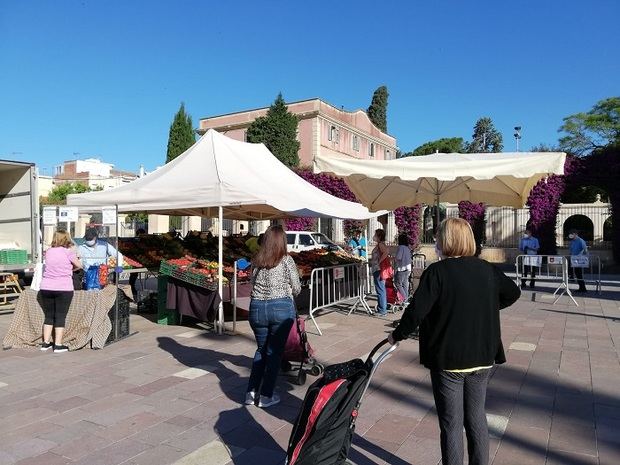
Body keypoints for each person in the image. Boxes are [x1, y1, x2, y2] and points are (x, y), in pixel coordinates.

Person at [388, 218, 521, 465]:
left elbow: (416, 312)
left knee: (451, 423)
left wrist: (396, 335)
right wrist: (487, 307)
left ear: (445, 241)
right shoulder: (486, 269)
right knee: (476, 418)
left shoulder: (437, 273)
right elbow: (513, 292)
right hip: (482, 356)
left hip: (449, 358)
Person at [246, 225, 301, 408]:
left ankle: (251, 391)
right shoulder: (286, 260)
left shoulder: (257, 259)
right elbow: (297, 288)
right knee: (274, 352)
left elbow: (252, 282)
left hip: (257, 308)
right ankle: (266, 395)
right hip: (280, 308)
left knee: (261, 349)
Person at [39, 230, 83, 353]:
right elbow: (79, 265)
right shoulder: (68, 252)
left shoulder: (47, 252)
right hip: (63, 287)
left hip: (46, 287)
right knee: (60, 315)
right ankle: (58, 345)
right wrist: (71, 268)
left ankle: (45, 343)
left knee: (48, 315)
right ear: (66, 238)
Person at [370, 229, 389, 316]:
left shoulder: (381, 244)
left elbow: (386, 252)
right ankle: (382, 309)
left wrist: (379, 261)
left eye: (375, 234)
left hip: (378, 269)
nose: (374, 236)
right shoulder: (379, 244)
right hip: (377, 269)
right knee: (381, 289)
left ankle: (382, 310)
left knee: (380, 289)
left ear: (379, 236)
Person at [129, 228, 146, 300]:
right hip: (134, 261)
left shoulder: (143, 241)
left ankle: (132, 289)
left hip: (137, 261)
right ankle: (132, 290)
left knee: (133, 277)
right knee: (133, 277)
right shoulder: (135, 240)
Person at [394, 233, 412, 302]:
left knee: (398, 284)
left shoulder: (401, 247)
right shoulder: (407, 248)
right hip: (408, 268)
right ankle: (406, 300)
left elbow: (399, 257)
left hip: (402, 268)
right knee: (405, 285)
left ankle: (404, 299)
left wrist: (394, 258)